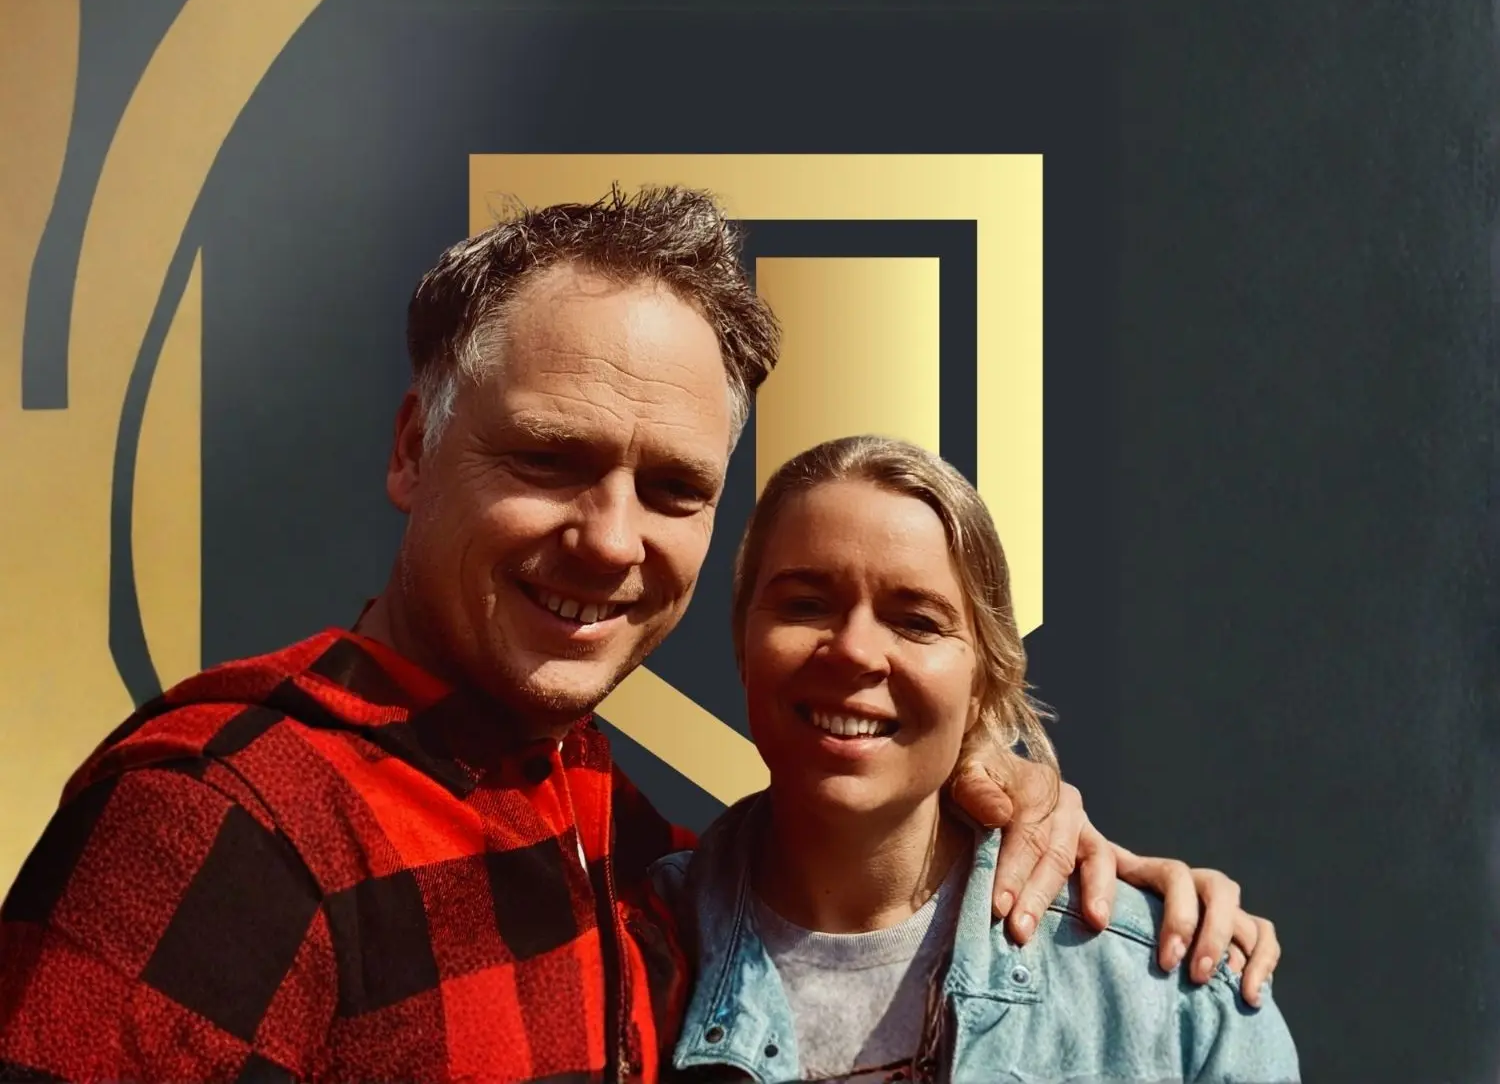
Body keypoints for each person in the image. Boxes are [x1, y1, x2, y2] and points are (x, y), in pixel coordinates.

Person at [0, 188, 1278, 1082]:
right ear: (411, 449)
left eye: (672, 489)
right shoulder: (223, 821)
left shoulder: (625, 851)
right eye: (551, 460)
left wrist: (1020, 800)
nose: (612, 540)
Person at [653, 435, 1299, 1083]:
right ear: (743, 642)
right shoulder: (630, 952)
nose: (854, 651)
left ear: (982, 682)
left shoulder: (1176, 997)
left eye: (916, 621)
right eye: (806, 605)